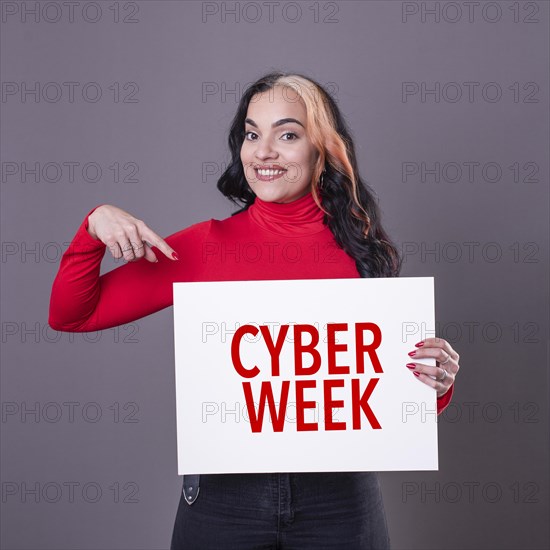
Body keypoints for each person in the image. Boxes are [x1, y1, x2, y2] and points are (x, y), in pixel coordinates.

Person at [49, 71, 460, 549]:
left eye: (287, 134)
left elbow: (381, 394)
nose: (263, 151)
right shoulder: (206, 246)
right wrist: (92, 226)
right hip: (227, 499)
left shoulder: (361, 250)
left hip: (339, 498)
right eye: (251, 134)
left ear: (321, 149)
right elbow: (72, 314)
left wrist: (436, 384)